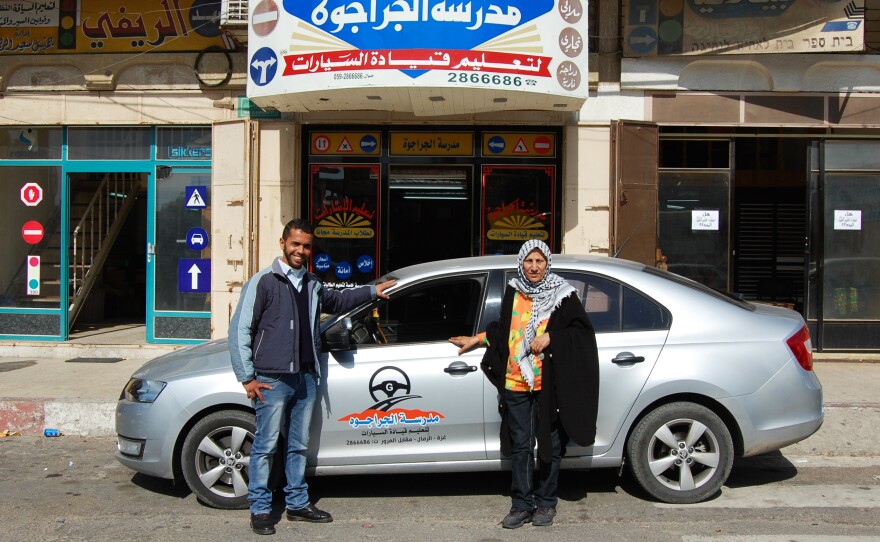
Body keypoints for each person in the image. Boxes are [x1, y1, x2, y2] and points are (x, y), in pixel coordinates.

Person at [229, 218, 396, 536]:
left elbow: (339, 301)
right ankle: (261, 509)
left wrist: (372, 290)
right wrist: (247, 377)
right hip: (272, 379)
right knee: (265, 446)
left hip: (305, 377)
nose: (300, 251)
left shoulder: (312, 283)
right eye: (295, 244)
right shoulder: (263, 281)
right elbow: (240, 329)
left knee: (298, 445)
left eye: (306, 246)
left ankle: (297, 504)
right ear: (283, 243)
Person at [449, 240, 599, 529]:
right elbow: (504, 330)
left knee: (551, 445)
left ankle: (546, 503)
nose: (533, 267)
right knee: (520, 445)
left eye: (539, 261)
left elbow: (581, 333)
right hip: (516, 380)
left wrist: (551, 337)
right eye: (528, 261)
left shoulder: (563, 295)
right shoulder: (514, 290)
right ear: (521, 263)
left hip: (548, 382)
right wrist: (477, 339)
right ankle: (521, 505)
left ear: (547, 264)